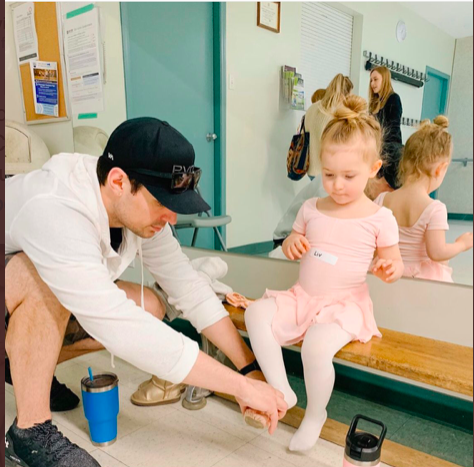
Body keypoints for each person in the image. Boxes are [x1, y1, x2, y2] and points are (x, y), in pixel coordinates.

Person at [5, 118, 287, 467]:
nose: (171, 218)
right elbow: (119, 327)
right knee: (36, 276)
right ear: (119, 182)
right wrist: (239, 388)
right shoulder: (56, 208)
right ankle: (29, 432)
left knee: (150, 305)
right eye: (162, 203)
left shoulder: (135, 212)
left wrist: (248, 369)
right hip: (17, 282)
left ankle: (23, 364)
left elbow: (188, 287)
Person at [244, 96, 404, 451]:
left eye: (349, 176)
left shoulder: (380, 218)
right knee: (255, 313)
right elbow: (293, 239)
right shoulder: (311, 207)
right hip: (303, 295)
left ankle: (316, 413)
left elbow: (395, 264)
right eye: (329, 175)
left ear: (374, 168)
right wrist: (292, 244)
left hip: (344, 304)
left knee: (315, 348)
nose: (337, 184)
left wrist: (388, 267)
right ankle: (281, 388)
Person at [374, 116, 473, 282]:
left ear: (404, 162)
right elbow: (437, 253)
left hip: (387, 275)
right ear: (440, 169)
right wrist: (461, 244)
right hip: (418, 280)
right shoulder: (434, 209)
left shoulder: (382, 199)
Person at [305, 74, 353, 181]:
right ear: (344, 94)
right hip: (328, 170)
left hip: (310, 167)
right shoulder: (338, 112)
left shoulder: (312, 108)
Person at [367, 66, 403, 197]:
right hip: (378, 152)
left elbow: (392, 129)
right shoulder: (374, 103)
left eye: (375, 79)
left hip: (390, 155)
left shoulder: (393, 99)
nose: (372, 84)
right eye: (371, 80)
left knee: (388, 193)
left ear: (385, 79)